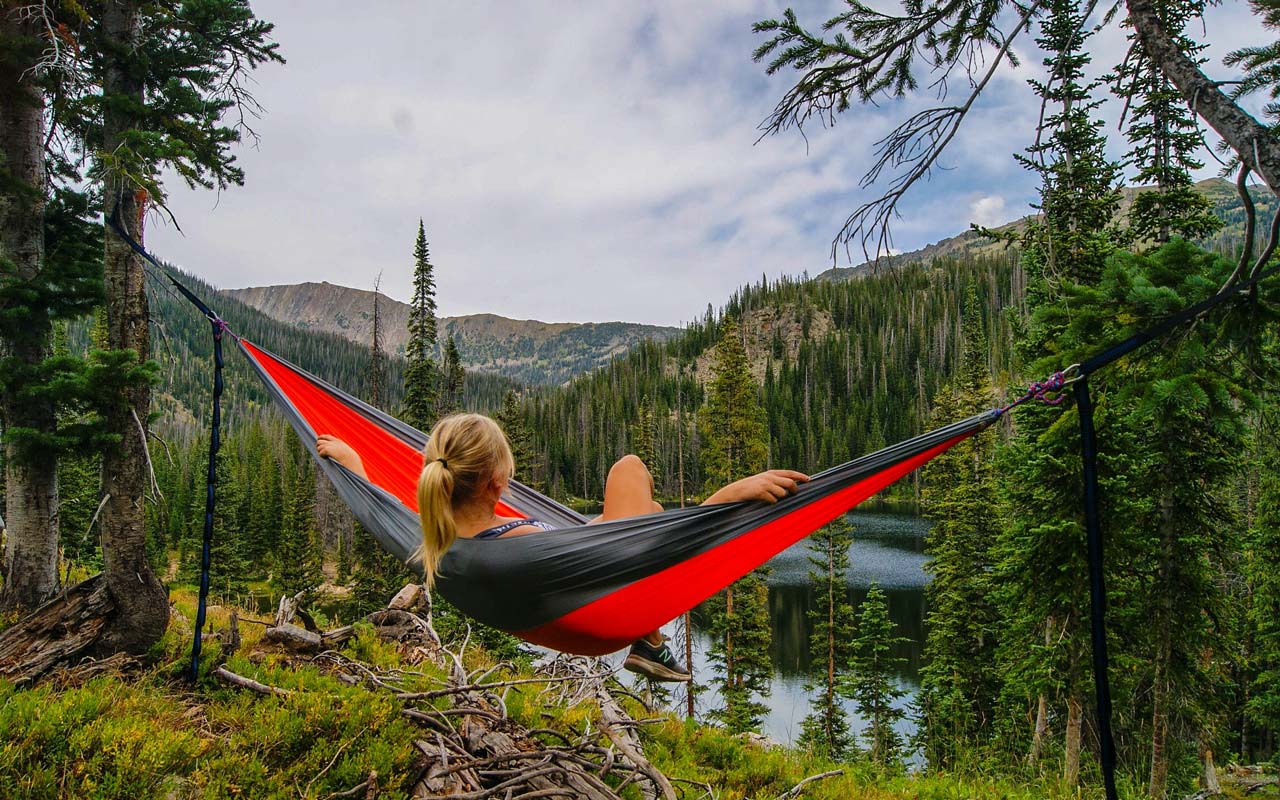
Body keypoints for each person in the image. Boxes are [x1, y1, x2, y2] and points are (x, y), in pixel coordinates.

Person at [317, 413, 808, 682]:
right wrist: (724, 501)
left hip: (567, 589)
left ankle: (653, 643)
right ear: (495, 481)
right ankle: (650, 640)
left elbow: (381, 508)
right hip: (599, 617)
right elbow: (648, 555)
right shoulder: (519, 547)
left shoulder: (432, 538)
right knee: (629, 469)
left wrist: (354, 464)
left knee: (650, 510)